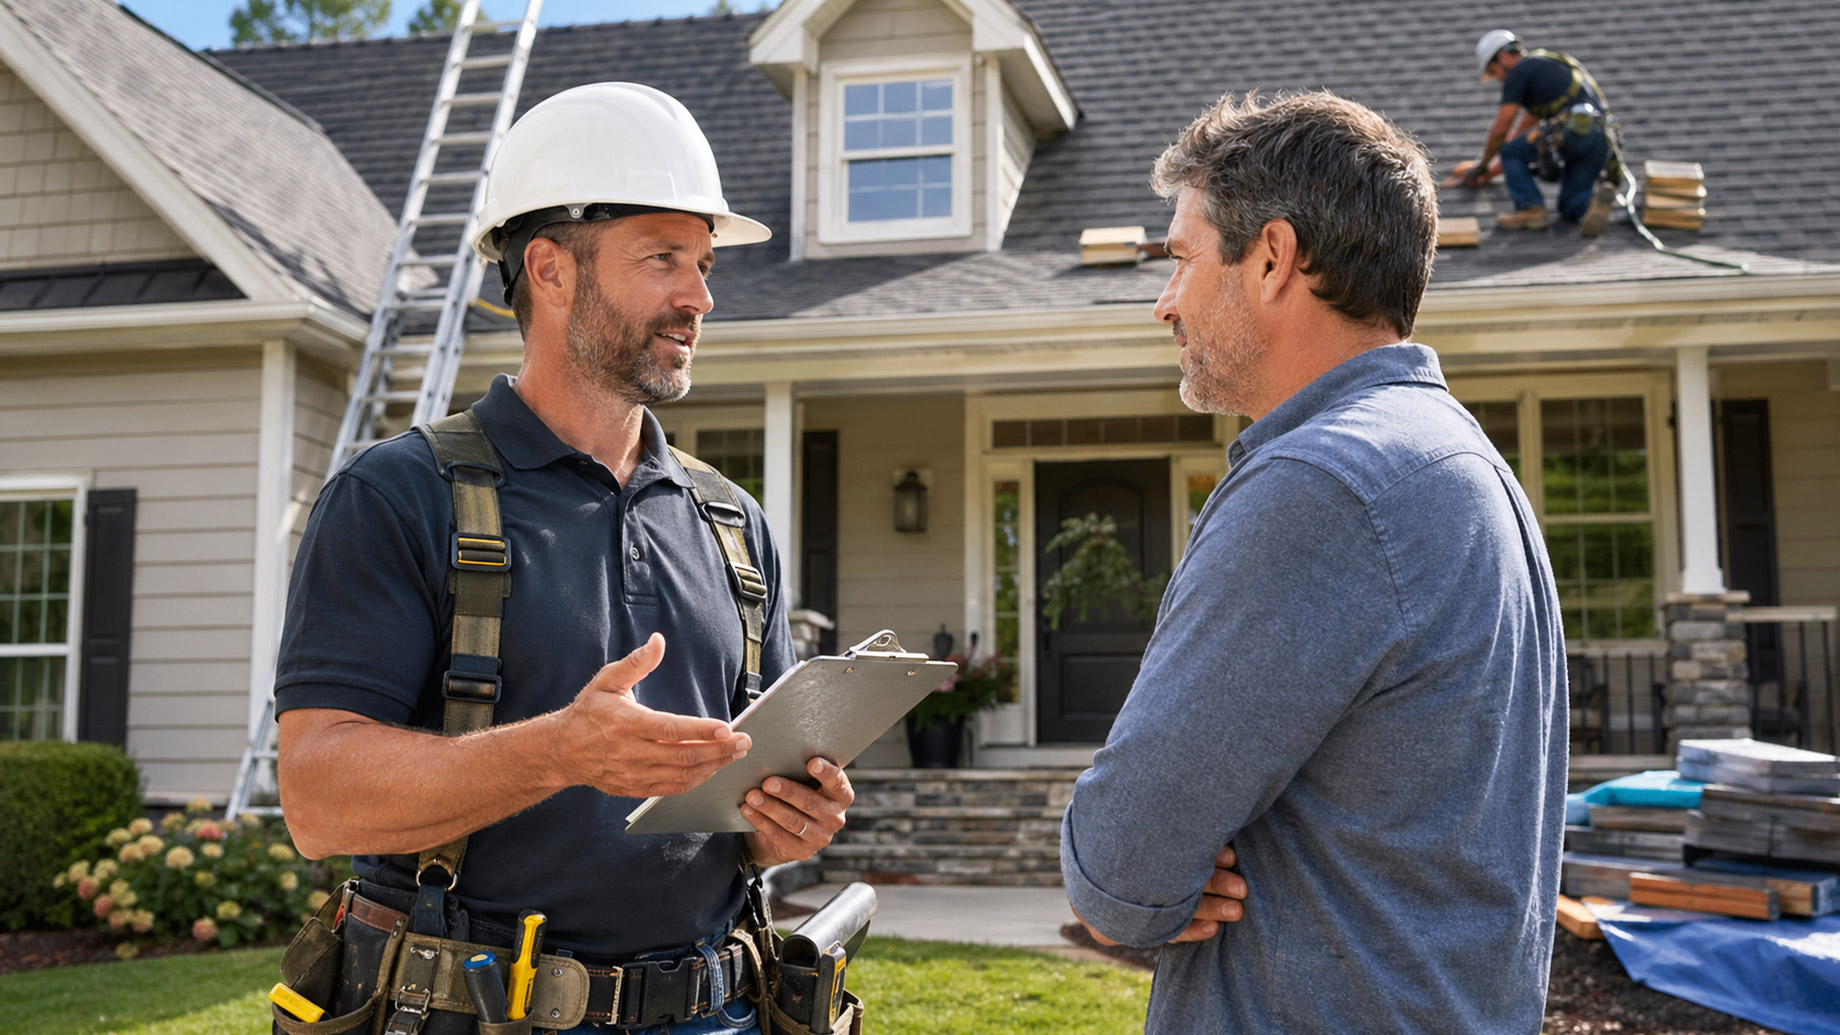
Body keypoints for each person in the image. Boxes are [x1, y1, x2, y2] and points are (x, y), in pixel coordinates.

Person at [273, 83, 852, 1035]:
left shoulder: (732, 523)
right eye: (662, 257)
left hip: (717, 1011)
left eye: (703, 264)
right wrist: (559, 751)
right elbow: (318, 800)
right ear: (548, 268)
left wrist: (788, 818)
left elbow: (749, 803)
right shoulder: (395, 497)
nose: (699, 296)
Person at [1059, 90, 1568, 1033]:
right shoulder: (1459, 462)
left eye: (1179, 259)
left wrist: (1143, 877)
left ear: (1272, 257)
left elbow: (1120, 868)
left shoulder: (1320, 485)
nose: (1164, 301)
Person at [1448, 29, 1618, 235]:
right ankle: (1591, 205)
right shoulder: (1545, 71)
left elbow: (1503, 131)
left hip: (1570, 132)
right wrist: (1488, 173)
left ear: (1502, 57)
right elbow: (1521, 137)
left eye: (1494, 72)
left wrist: (1481, 165)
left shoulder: (1520, 71)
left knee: (1510, 151)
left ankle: (1530, 209)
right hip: (1598, 141)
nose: (1498, 79)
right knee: (1568, 206)